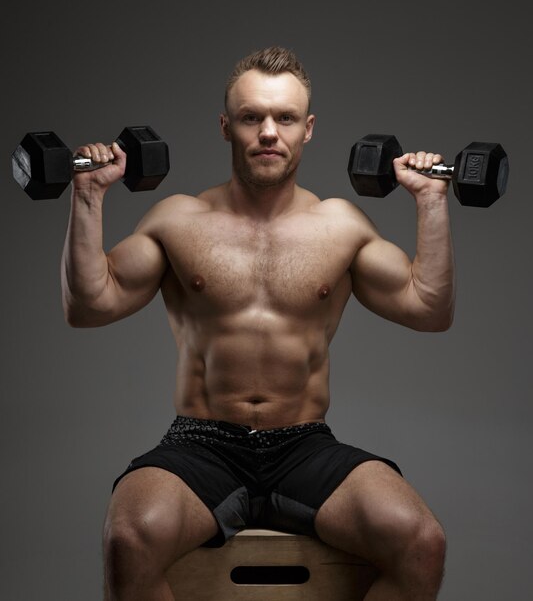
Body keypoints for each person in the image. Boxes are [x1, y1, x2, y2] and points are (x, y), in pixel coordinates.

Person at [62, 46, 453, 601]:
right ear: (226, 126)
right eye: (252, 117)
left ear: (308, 129)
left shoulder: (341, 225)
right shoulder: (178, 219)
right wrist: (89, 196)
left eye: (285, 118)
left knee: (421, 540)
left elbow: (430, 310)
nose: (269, 132)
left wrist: (433, 201)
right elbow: (90, 305)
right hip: (200, 444)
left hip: (305, 445)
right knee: (129, 539)